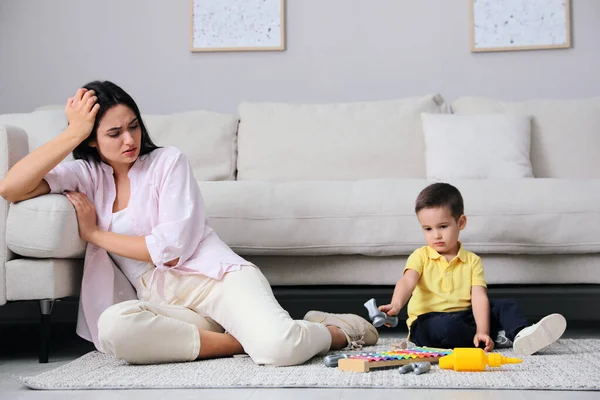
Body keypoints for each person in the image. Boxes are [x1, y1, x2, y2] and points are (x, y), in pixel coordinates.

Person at [0, 80, 378, 365]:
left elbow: (169, 247)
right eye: (114, 133)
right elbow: (12, 187)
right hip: (163, 302)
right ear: (93, 140)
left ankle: (337, 329)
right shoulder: (86, 174)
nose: (130, 139)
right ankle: (241, 340)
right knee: (114, 328)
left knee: (278, 351)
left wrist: (96, 234)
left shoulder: (168, 161)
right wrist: (72, 133)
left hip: (217, 283)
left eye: (133, 126)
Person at [378, 182, 566, 355]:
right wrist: (396, 304)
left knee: (505, 305)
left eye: (443, 226)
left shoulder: (472, 261)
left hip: (466, 316)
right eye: (428, 229)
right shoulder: (420, 256)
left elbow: (478, 297)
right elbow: (407, 281)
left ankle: (520, 334)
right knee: (448, 327)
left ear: (460, 223)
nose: (436, 235)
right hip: (428, 322)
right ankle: (496, 337)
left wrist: (482, 329)